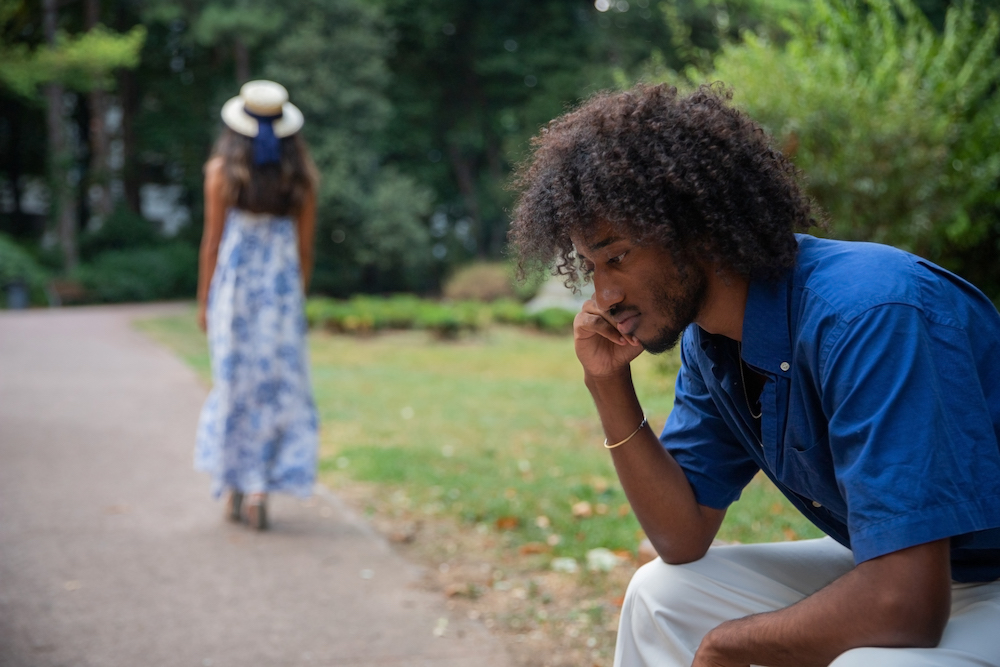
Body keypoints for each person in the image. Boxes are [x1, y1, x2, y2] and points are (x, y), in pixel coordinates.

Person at [509, 83, 1000, 666]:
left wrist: (725, 645)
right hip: (911, 566)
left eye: (617, 257)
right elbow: (681, 537)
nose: (604, 294)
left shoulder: (869, 314)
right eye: (590, 267)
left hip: (958, 577)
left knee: (873, 662)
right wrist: (608, 384)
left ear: (697, 230)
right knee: (660, 596)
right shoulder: (712, 342)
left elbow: (906, 606)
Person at [195, 80, 320, 531]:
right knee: (275, 389)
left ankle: (235, 484)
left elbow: (212, 243)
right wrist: (295, 300)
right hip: (281, 300)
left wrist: (204, 301)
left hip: (235, 297)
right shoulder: (301, 178)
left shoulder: (221, 173)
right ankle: (260, 487)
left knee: (233, 387)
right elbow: (304, 251)